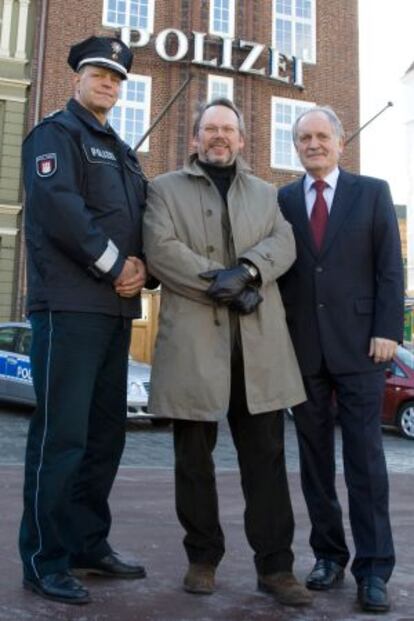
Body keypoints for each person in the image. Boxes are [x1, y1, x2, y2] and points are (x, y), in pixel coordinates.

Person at [143, 97, 311, 607]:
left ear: (241, 140)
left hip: (258, 352)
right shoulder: (163, 189)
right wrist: (226, 284)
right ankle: (202, 558)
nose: (219, 136)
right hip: (194, 351)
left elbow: (284, 244)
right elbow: (161, 250)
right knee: (193, 463)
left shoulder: (267, 195)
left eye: (228, 129)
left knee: (266, 462)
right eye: (209, 128)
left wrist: (251, 270)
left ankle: (276, 569)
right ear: (195, 139)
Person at [20, 36, 151, 605]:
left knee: (104, 438)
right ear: (78, 77)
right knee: (62, 438)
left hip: (116, 311)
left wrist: (142, 267)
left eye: (118, 78)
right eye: (100, 73)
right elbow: (61, 211)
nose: (109, 83)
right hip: (69, 308)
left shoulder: (122, 152)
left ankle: (86, 543)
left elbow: (138, 220)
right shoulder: (55, 134)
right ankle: (44, 558)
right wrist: (114, 263)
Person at [278, 106, 404, 613]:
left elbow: (390, 268)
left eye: (321, 136)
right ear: (297, 146)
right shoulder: (283, 199)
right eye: (304, 137)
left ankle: (373, 569)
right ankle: (328, 556)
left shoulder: (372, 192)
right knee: (313, 463)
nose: (313, 144)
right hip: (303, 349)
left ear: (340, 142)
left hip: (361, 348)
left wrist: (388, 331)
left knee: (366, 463)